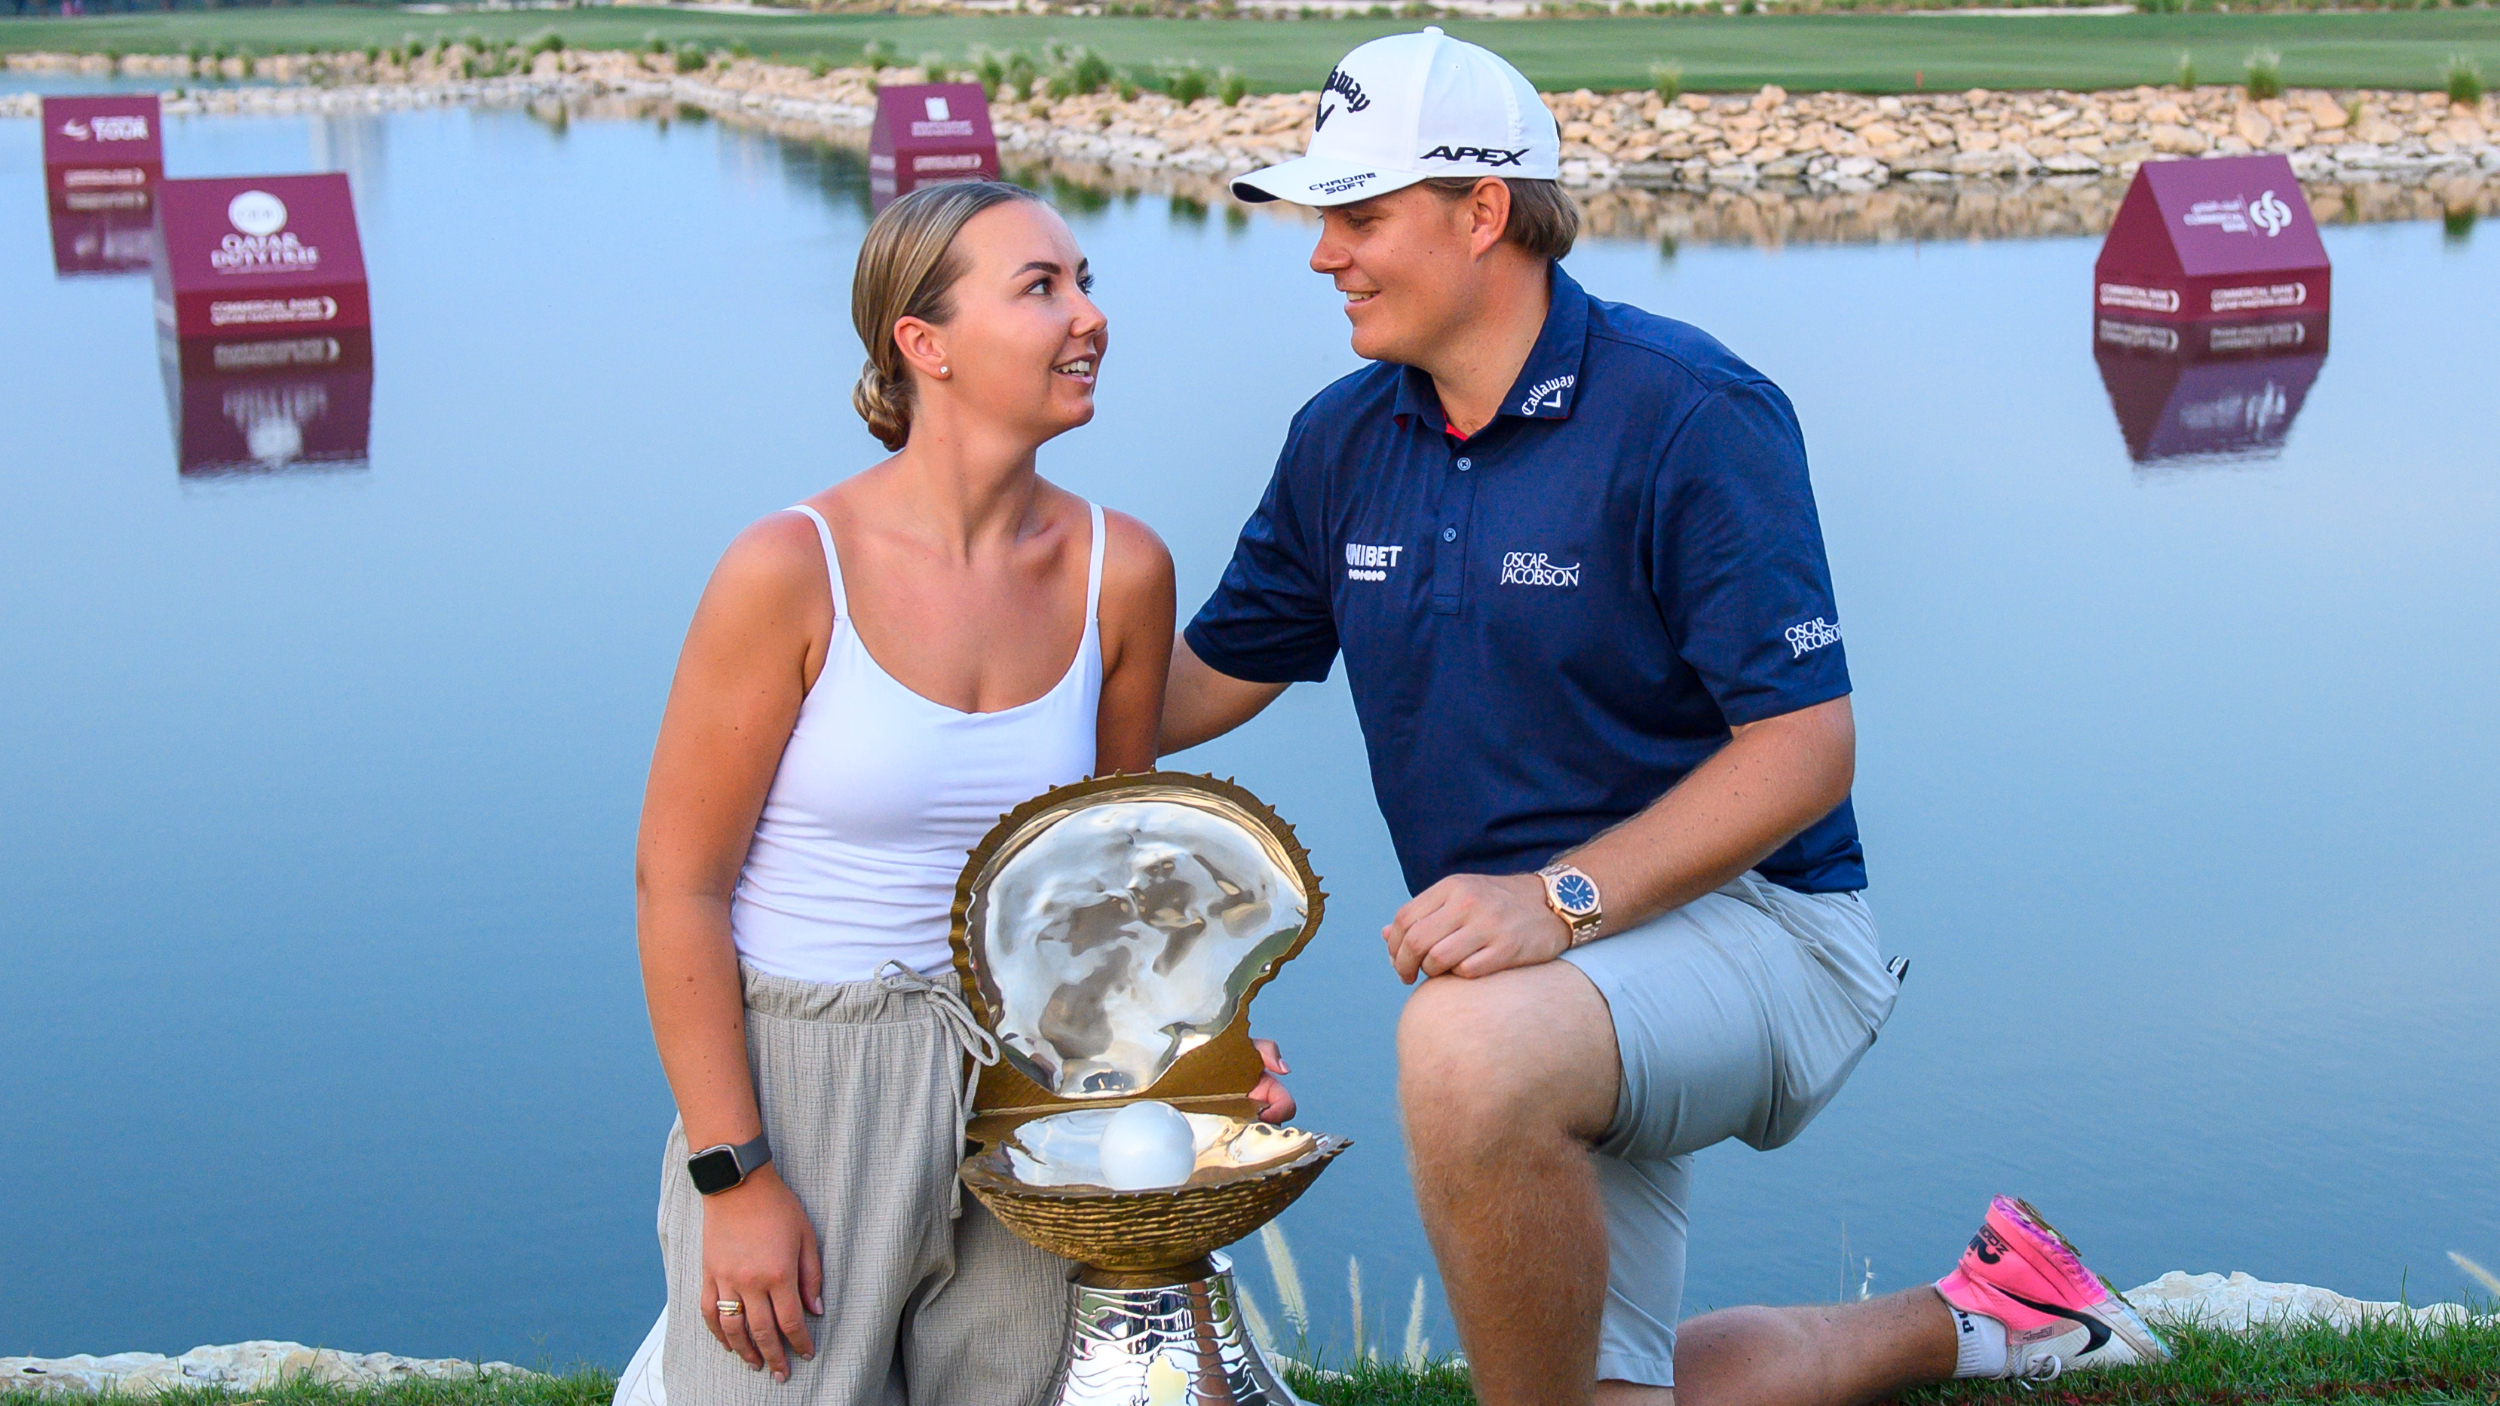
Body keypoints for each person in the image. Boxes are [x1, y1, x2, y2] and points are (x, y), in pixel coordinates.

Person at [1160, 29, 2171, 1406]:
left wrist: (1555, 899)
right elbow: (1190, 687)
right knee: (1597, 1386)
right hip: (1545, 973)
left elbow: (1808, 751)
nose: (1323, 253)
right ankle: (1990, 1314)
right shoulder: (1343, 439)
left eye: (1357, 215)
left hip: (1763, 931)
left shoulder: (1690, 412)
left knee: (1458, 1044)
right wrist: (931, 644)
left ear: (1482, 211)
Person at [629, 179, 1292, 1406]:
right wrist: (735, 1175)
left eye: (1086, 281)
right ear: (922, 345)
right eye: (1041, 288)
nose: (1089, 315)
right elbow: (679, 883)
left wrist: (1204, 1055)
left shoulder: (1121, 568)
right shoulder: (788, 568)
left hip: (1029, 1082)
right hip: (808, 1077)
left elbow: (1115, 891)